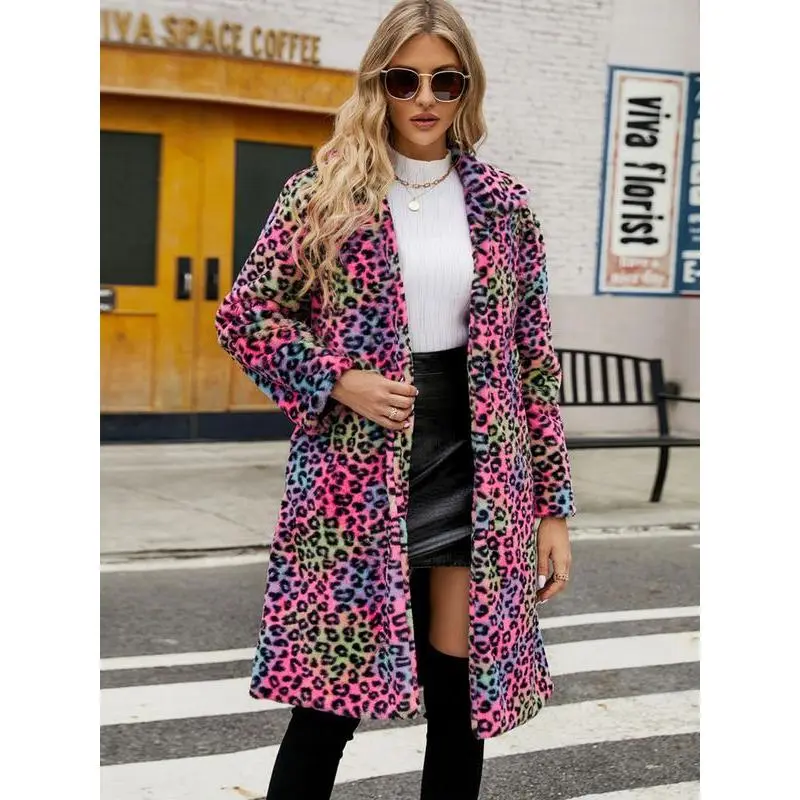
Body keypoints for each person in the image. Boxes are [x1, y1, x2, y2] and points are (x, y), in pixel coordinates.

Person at [215, 1, 575, 797]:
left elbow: (535, 363)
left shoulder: (504, 205)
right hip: (354, 478)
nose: (425, 97)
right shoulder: (325, 193)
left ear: (467, 89)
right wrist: (337, 379)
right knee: (326, 709)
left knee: (459, 702)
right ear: (378, 82)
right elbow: (246, 316)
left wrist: (552, 509)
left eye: (446, 81)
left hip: (480, 476)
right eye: (405, 79)